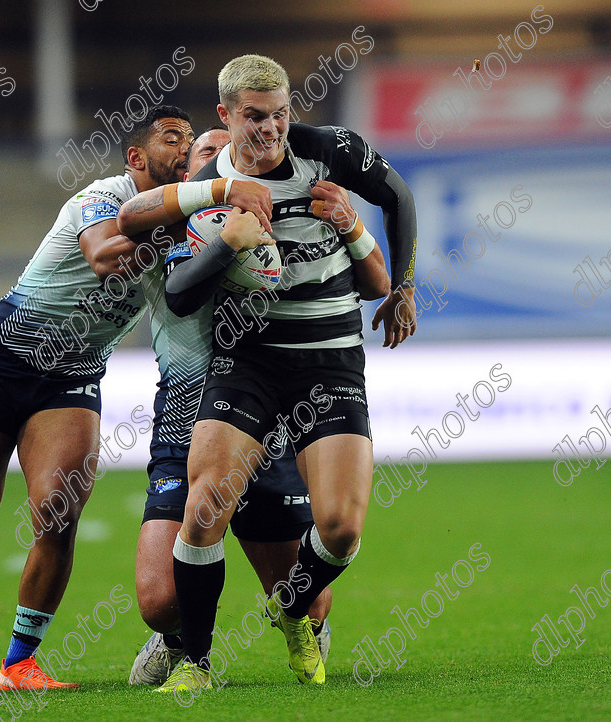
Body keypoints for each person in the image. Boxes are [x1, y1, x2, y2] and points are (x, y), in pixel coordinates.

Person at [122, 54, 418, 691]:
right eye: (255, 117)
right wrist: (228, 241)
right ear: (226, 117)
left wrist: (404, 286)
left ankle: (289, 607)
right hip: (248, 364)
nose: (271, 129)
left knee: (340, 529)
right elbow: (176, 292)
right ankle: (195, 663)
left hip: (332, 363)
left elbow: (400, 197)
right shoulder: (211, 186)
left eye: (281, 114)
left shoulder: (329, 153)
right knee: (204, 508)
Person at [0, 105, 201, 693]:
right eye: (172, 138)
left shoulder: (189, 226)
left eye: (192, 141)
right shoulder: (105, 196)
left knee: (58, 512)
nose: (185, 148)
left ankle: (18, 663)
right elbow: (105, 257)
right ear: (135, 157)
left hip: (71, 375)